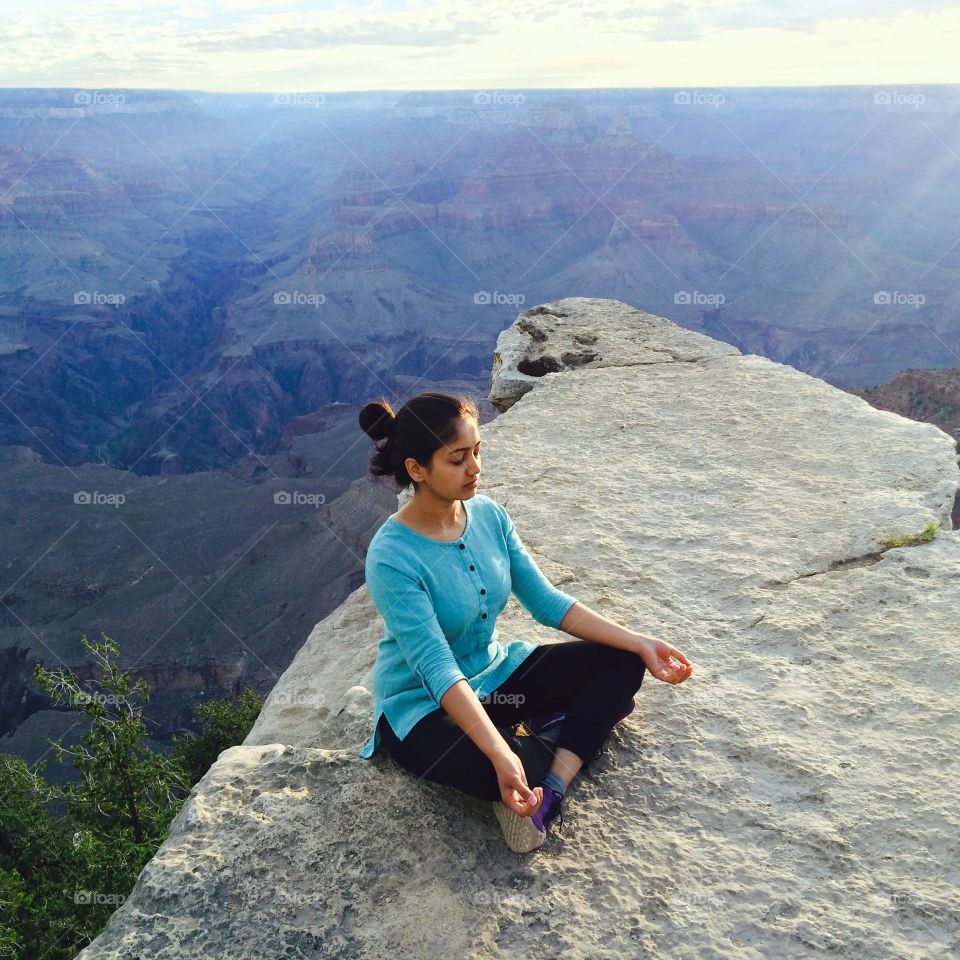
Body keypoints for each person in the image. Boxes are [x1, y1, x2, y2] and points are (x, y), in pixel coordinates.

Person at [357, 391, 693, 853]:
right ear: (416, 469)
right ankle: (558, 733)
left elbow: (547, 603)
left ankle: (551, 789)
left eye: (477, 451)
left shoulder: (490, 515)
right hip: (425, 708)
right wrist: (499, 755)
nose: (475, 468)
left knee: (622, 664)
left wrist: (639, 642)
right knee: (500, 766)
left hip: (497, 676)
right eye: (457, 459)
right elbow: (437, 669)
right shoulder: (392, 556)